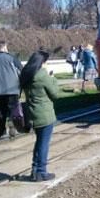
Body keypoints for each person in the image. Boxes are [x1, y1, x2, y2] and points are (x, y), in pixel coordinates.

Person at [20, 50, 58, 182]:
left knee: (39, 142)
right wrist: (53, 78)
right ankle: (41, 171)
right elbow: (55, 94)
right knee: (43, 144)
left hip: (32, 113)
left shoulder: (26, 74)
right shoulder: (43, 75)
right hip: (44, 114)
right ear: (42, 63)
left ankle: (35, 170)